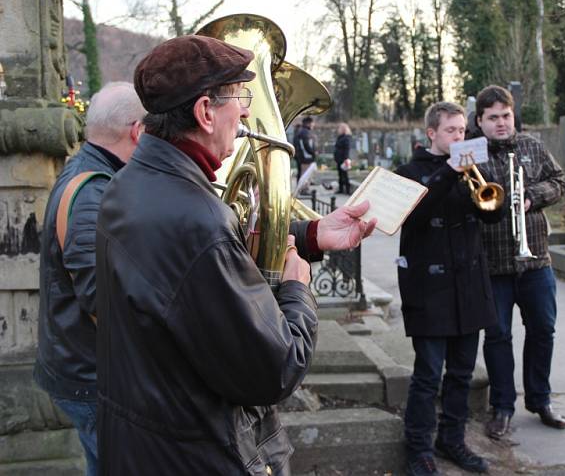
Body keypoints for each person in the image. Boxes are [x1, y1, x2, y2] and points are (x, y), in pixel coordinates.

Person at [94, 35, 375, 475]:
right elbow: (277, 368)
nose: (247, 112)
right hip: (192, 454)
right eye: (240, 98)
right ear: (205, 112)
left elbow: (207, 268)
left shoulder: (130, 185)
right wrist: (298, 288)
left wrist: (313, 235)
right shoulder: (197, 220)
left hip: (143, 441)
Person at [34, 82, 146, 476]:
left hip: (84, 372)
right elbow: (104, 302)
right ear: (138, 131)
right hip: (93, 380)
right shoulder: (92, 193)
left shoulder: (90, 174)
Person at [395, 102, 502, 476]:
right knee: (428, 374)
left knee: (461, 373)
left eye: (462, 130)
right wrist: (447, 174)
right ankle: (419, 448)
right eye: (452, 131)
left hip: (469, 287)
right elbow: (415, 215)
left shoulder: (471, 170)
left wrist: (482, 179)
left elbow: (495, 213)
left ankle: (452, 439)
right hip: (429, 290)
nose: (460, 136)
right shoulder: (408, 172)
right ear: (432, 134)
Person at [473, 85, 565, 439]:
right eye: (493, 117)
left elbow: (559, 181)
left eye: (506, 116)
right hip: (493, 264)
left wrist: (532, 196)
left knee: (543, 330)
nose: (501, 123)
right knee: (497, 337)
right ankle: (502, 406)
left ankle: (540, 400)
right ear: (480, 120)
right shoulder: (471, 152)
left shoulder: (532, 146)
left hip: (535, 262)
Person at [293, 116, 317, 193]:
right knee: (305, 174)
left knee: (303, 173)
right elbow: (306, 145)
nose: (313, 125)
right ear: (309, 123)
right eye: (312, 123)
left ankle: (302, 189)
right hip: (306, 157)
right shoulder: (305, 132)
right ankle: (304, 189)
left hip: (304, 157)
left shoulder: (303, 131)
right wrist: (313, 152)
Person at [334, 122, 353, 194]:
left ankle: (348, 190)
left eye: (340, 128)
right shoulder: (340, 137)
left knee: (345, 175)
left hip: (343, 159)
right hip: (339, 158)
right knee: (340, 175)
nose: (338, 130)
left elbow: (346, 149)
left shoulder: (346, 138)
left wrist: (346, 158)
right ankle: (341, 189)